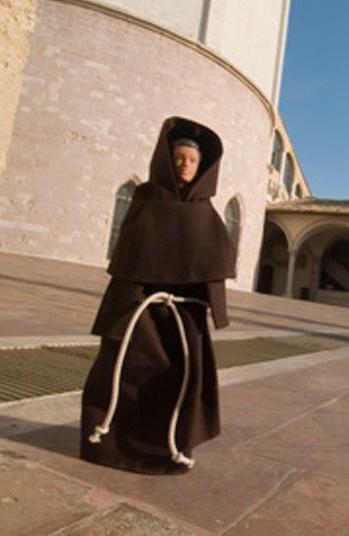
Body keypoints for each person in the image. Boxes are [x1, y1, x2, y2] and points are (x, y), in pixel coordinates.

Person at [80, 116, 235, 473]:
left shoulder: (205, 213)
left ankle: (168, 450)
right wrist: (117, 313)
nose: (185, 165)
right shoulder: (145, 198)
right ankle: (111, 447)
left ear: (203, 166)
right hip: (140, 312)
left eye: (193, 160)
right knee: (125, 373)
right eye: (179, 158)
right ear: (166, 159)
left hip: (183, 316)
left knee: (177, 382)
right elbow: (130, 257)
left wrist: (213, 312)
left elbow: (211, 269)